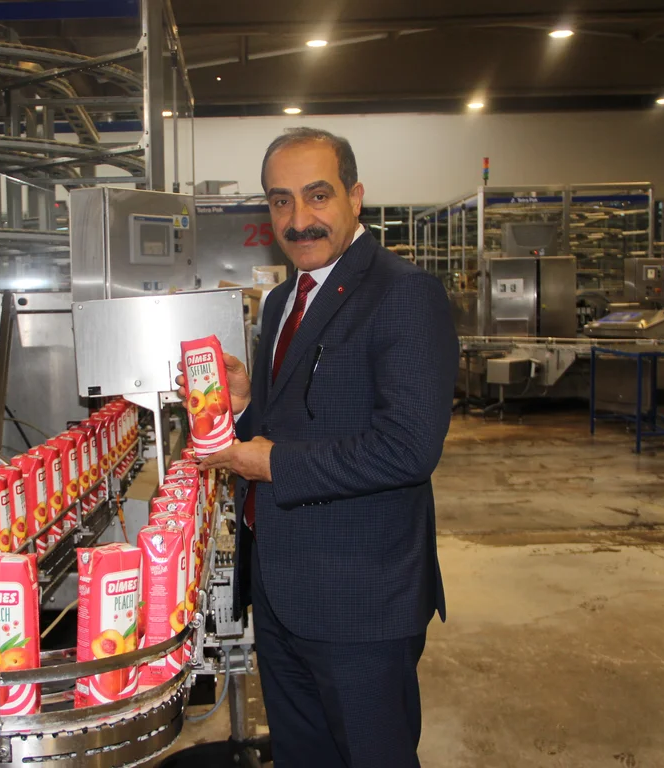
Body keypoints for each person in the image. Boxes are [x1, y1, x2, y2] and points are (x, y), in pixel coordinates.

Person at [180, 127, 458, 767]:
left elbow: (409, 447)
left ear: (355, 198)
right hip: (282, 594)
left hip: (361, 599)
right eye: (281, 201)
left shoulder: (402, 293)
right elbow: (296, 421)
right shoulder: (283, 300)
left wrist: (270, 463)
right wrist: (243, 408)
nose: (298, 219)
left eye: (317, 196)